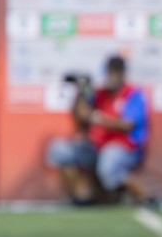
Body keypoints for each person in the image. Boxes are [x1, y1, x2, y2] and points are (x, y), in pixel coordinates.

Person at [46, 56, 149, 205]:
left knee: (108, 163)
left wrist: (97, 118)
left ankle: (142, 195)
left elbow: (127, 125)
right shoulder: (100, 94)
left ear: (123, 74)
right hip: (97, 146)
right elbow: (81, 116)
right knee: (59, 150)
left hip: (125, 147)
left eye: (116, 72)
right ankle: (83, 197)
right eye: (110, 72)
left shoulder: (133, 94)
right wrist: (81, 90)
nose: (112, 77)